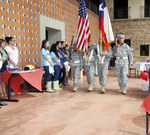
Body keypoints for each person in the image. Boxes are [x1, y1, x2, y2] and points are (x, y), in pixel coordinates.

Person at [0, 39, 8, 106]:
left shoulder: (4, 50)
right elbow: (2, 58)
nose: (4, 44)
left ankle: (4, 93)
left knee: (3, 81)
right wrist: (3, 58)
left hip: (4, 67)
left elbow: (6, 57)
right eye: (3, 43)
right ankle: (1, 94)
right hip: (0, 68)